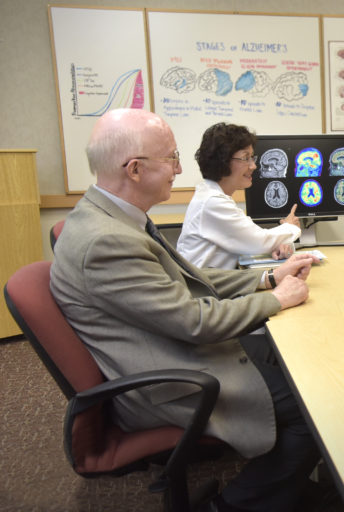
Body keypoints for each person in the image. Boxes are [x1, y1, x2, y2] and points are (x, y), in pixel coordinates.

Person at [49, 108, 324, 511]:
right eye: (171, 158)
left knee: (296, 364)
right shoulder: (107, 241)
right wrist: (277, 299)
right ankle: (234, 505)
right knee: (312, 405)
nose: (180, 168)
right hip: (167, 382)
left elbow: (194, 280)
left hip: (169, 350)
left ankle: (286, 479)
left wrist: (267, 279)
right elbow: (193, 320)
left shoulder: (117, 218)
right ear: (136, 169)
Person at [177, 122, 302, 269]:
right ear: (222, 160)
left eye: (252, 158)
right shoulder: (212, 202)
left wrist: (277, 245)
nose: (253, 166)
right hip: (205, 289)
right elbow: (258, 241)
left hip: (219, 282)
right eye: (245, 158)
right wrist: (290, 227)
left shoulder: (214, 197)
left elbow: (249, 239)